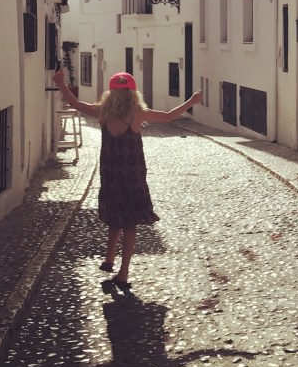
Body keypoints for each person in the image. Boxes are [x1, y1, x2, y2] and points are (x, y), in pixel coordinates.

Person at [53, 69, 202, 289]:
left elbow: (76, 103)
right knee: (130, 223)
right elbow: (169, 116)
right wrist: (192, 101)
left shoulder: (102, 112)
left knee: (115, 217)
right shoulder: (137, 113)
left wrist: (61, 83)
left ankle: (109, 258)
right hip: (132, 175)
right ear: (133, 93)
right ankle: (123, 273)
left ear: (111, 92)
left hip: (111, 173)